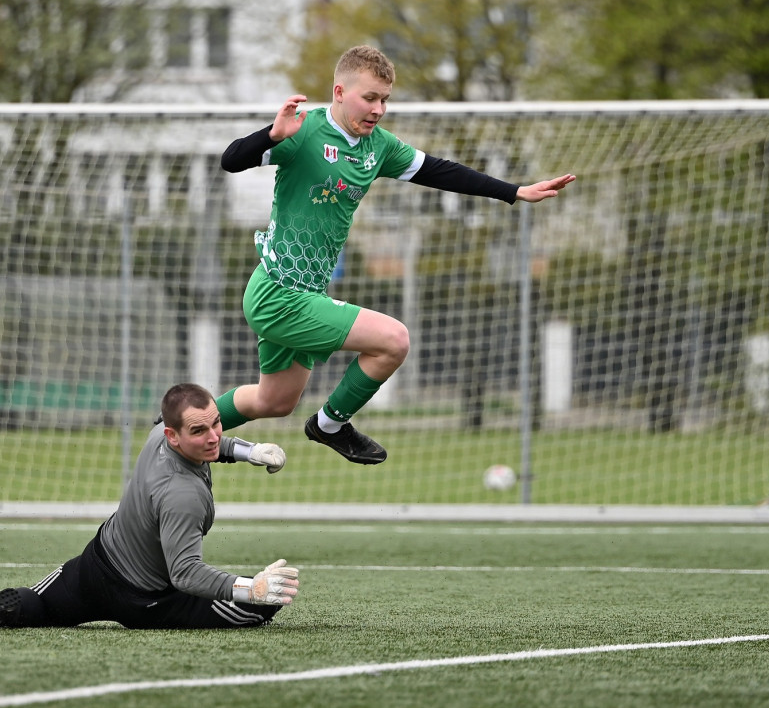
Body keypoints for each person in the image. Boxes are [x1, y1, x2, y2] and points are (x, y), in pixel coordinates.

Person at [215, 44, 576, 465]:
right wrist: (271, 136)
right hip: (279, 293)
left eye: (384, 99)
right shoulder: (303, 132)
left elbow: (441, 170)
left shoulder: (378, 147)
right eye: (369, 98)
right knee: (393, 341)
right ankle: (330, 425)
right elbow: (230, 161)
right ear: (338, 92)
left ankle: (172, 429)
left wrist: (514, 191)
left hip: (303, 293)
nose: (379, 109)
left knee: (273, 401)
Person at [0, 383, 299, 630]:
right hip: (147, 602)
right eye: (198, 431)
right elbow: (185, 573)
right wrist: (251, 588)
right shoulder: (183, 493)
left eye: (217, 422)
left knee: (25, 605)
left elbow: (207, 439)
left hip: (95, 566)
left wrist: (248, 450)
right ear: (173, 435)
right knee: (267, 602)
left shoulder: (161, 432)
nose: (213, 437)